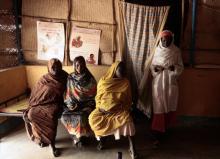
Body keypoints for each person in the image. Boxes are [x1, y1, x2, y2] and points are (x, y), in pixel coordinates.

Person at [89, 61, 138, 159]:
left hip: (118, 110)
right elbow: (98, 99)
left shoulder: (125, 82)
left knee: (128, 121)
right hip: (103, 110)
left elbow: (128, 101)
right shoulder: (103, 81)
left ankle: (132, 147)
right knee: (92, 119)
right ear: (114, 69)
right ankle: (103, 139)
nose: (124, 72)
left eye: (125, 70)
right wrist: (101, 108)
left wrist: (120, 108)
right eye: (121, 70)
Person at [23, 58, 68, 157]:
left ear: (61, 67)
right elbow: (35, 94)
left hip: (55, 103)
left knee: (50, 115)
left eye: (58, 67)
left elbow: (69, 92)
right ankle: (41, 139)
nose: (55, 69)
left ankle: (52, 144)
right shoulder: (44, 79)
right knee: (32, 113)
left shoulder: (65, 77)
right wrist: (32, 105)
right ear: (48, 68)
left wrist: (66, 102)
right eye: (53, 67)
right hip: (40, 104)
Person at [150, 30, 184, 146]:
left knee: (168, 107)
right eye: (163, 40)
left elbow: (180, 67)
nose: (165, 42)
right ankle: (157, 135)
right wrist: (155, 69)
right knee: (159, 107)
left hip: (170, 83)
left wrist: (173, 68)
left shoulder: (176, 51)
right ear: (160, 40)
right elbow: (152, 66)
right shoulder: (156, 50)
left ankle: (164, 130)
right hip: (158, 83)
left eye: (168, 40)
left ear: (171, 40)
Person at [61, 56, 97, 148]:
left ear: (85, 65)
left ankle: (83, 137)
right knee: (64, 115)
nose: (79, 68)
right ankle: (76, 136)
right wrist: (71, 105)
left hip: (87, 104)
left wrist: (86, 104)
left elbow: (93, 95)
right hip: (74, 104)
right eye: (77, 65)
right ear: (74, 66)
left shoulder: (90, 79)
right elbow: (68, 94)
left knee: (82, 116)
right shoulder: (70, 78)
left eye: (81, 65)